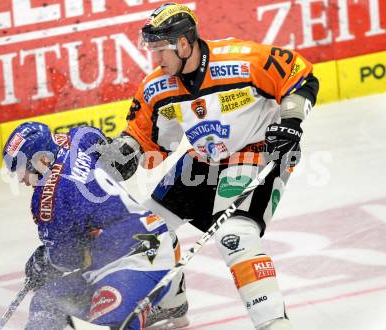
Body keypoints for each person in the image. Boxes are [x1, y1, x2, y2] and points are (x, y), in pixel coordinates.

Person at [98, 2, 320, 329]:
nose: (155, 59)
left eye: (161, 50)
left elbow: (300, 77)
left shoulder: (243, 60)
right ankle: (171, 304)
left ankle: (274, 323)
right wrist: (116, 159)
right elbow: (142, 137)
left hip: (259, 152)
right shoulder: (157, 87)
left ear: (185, 43)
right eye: (152, 50)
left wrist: (290, 121)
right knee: (147, 229)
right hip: (203, 161)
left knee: (235, 235)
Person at [1, 121, 189, 330]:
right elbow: (107, 151)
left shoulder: (48, 200)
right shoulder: (78, 137)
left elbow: (68, 258)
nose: (20, 179)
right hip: (131, 245)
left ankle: (159, 301)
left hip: (140, 257)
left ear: (43, 159)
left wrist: (45, 262)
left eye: (21, 169)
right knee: (47, 301)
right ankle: (158, 300)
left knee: (113, 325)